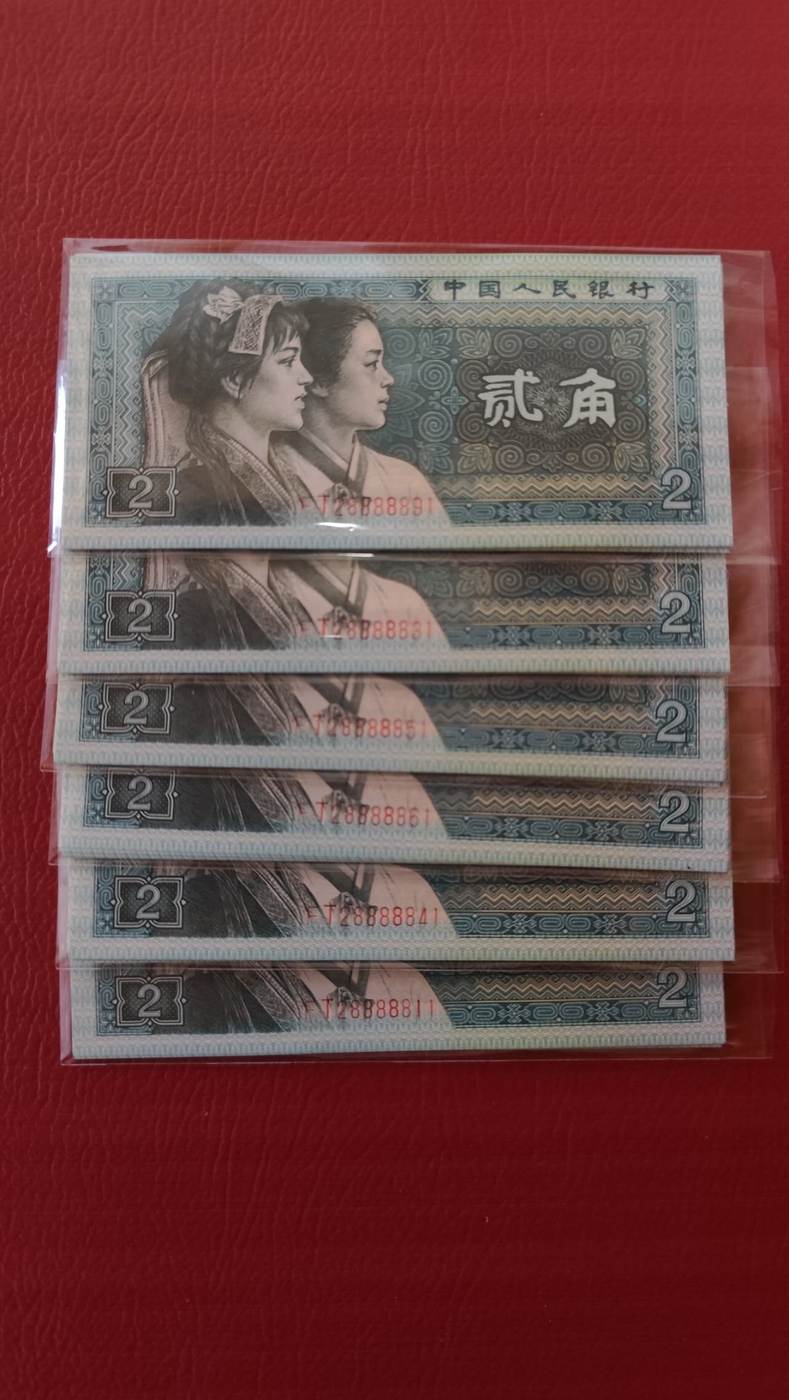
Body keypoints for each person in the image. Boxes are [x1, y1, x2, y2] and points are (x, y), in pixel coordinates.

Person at [142, 278, 313, 525]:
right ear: (235, 379)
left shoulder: (290, 476)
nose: (307, 377)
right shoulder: (192, 491)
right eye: (287, 361)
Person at [276, 297, 448, 522]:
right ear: (319, 381)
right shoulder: (269, 476)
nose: (388, 379)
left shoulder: (406, 482)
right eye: (371, 364)